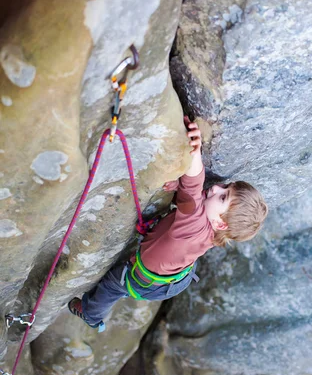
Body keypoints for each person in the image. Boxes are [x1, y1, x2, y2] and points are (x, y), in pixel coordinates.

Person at [68, 118, 268, 331]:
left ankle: (91, 315)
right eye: (226, 186)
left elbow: (193, 185)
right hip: (178, 277)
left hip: (146, 281)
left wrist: (194, 149)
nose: (216, 188)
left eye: (222, 197)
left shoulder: (195, 225)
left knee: (112, 286)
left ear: (220, 224)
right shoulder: (210, 228)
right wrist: (179, 189)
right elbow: (192, 199)